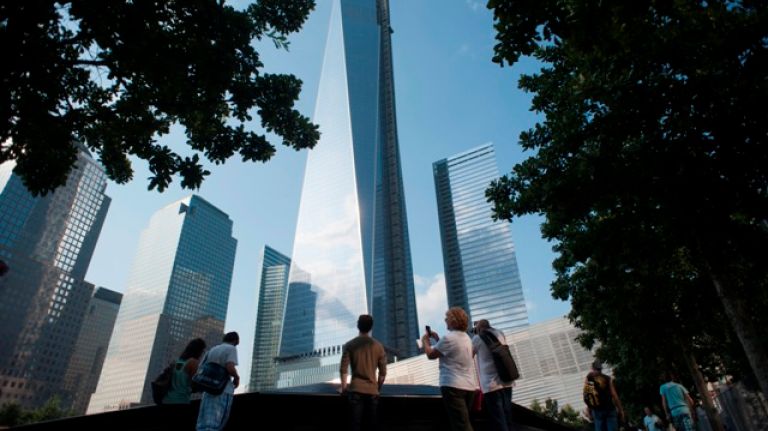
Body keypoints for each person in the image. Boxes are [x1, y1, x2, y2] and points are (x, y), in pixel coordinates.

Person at [423, 307, 476, 431]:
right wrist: (437, 340)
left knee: (462, 426)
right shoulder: (467, 338)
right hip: (469, 386)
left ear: (453, 321)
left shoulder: (448, 338)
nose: (445, 320)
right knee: (460, 422)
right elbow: (450, 351)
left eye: (447, 318)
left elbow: (431, 355)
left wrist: (425, 341)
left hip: (453, 386)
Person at [339, 314, 387, 431]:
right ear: (371, 327)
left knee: (355, 425)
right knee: (372, 426)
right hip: (372, 392)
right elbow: (382, 374)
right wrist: (377, 389)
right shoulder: (379, 347)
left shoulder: (349, 345)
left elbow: (343, 369)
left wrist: (344, 388)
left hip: (355, 391)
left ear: (358, 326)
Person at [472, 319, 513, 431]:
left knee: (499, 420)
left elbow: (469, 355)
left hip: (491, 385)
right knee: (507, 417)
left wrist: (476, 334)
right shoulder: (500, 333)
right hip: (507, 380)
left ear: (479, 328)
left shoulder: (477, 338)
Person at [196, 332, 240, 431]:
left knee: (204, 424)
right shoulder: (231, 348)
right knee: (216, 423)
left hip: (208, 390)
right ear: (235, 341)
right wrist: (237, 378)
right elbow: (230, 367)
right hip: (222, 390)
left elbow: (201, 367)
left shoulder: (212, 349)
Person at [163, 338, 207, 405]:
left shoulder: (178, 362)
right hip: (181, 400)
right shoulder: (193, 362)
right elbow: (195, 383)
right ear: (198, 350)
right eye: (202, 351)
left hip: (167, 399)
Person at [584, 360, 624, 431]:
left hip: (597, 411)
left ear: (592, 368)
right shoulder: (608, 378)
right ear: (601, 369)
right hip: (610, 409)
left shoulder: (590, 378)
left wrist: (588, 410)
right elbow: (614, 395)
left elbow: (588, 396)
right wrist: (621, 410)